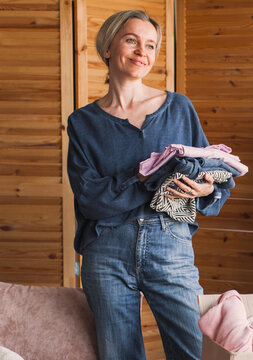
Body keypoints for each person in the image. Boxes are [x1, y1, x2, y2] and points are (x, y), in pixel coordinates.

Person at [67, 10, 229, 360]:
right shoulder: (82, 123)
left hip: (170, 244)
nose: (143, 51)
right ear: (108, 47)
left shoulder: (178, 108)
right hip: (106, 251)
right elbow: (91, 200)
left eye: (151, 45)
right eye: (132, 40)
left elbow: (214, 174)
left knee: (196, 353)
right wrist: (150, 181)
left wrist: (206, 190)